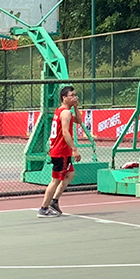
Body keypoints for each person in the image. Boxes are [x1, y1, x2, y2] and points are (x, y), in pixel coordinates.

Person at [38, 85, 83, 217]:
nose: (75, 97)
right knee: (55, 180)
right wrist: (75, 149)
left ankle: (54, 201)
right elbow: (65, 132)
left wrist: (75, 106)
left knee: (70, 174)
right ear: (64, 98)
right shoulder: (65, 113)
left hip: (61, 151)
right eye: (72, 95)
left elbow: (79, 121)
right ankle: (44, 208)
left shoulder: (63, 111)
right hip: (61, 151)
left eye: (75, 95)